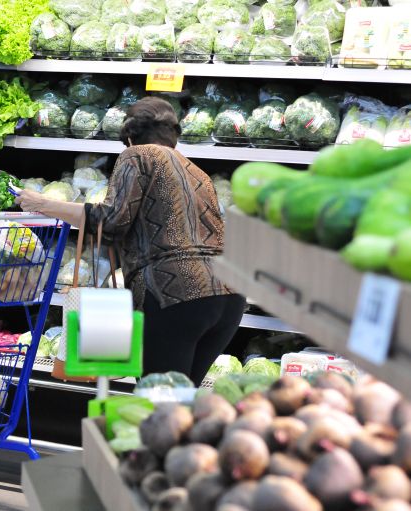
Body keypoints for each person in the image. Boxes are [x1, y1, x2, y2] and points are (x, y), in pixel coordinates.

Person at [16, 96, 245, 385]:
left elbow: (110, 221)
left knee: (158, 403)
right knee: (180, 403)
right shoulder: (196, 171)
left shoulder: (138, 155)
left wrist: (43, 204)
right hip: (228, 296)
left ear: (129, 136)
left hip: (177, 291)